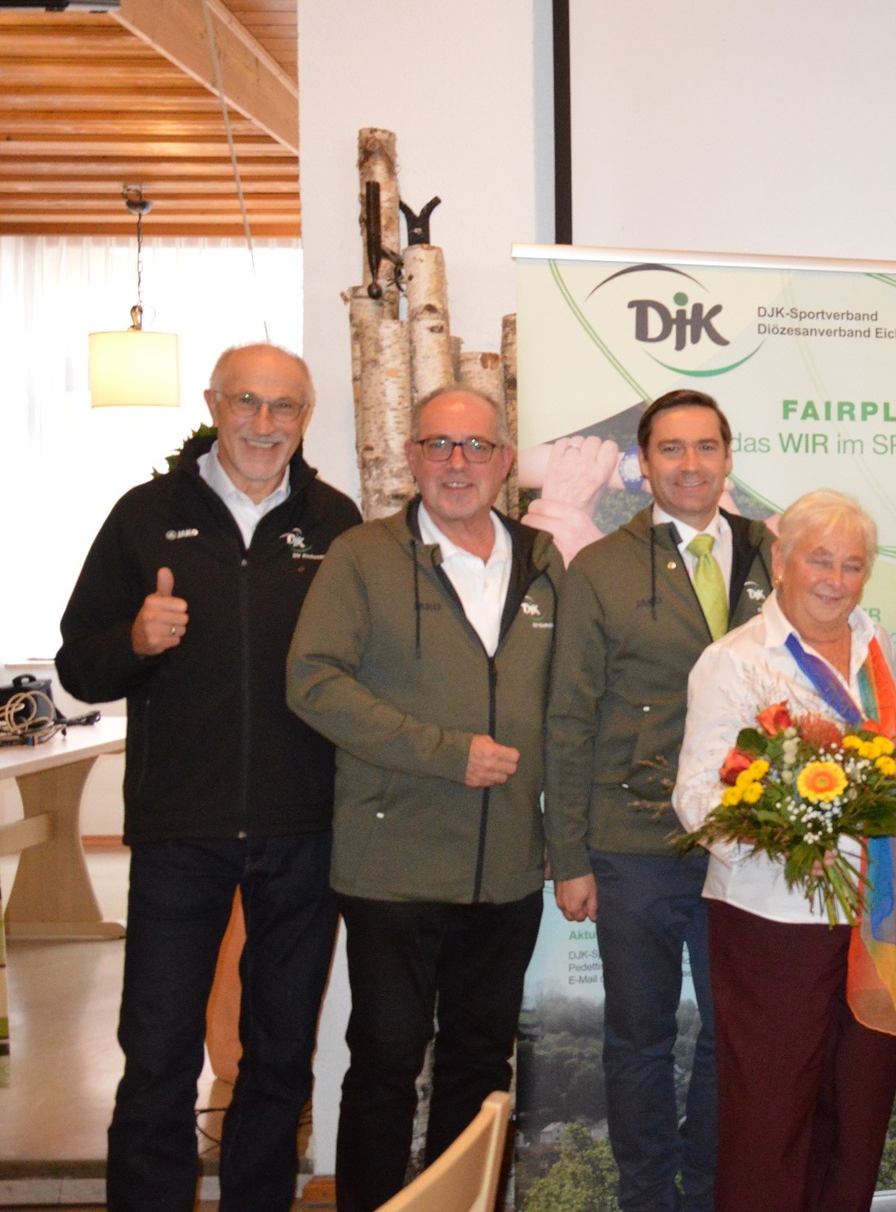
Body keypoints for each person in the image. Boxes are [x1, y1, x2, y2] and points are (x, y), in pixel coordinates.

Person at [56, 343, 358, 1212]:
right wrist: (135, 643)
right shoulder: (144, 515)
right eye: (247, 403)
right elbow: (80, 666)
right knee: (155, 1053)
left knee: (279, 1053)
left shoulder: (336, 525)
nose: (265, 425)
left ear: (307, 417)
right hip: (178, 828)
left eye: (285, 408)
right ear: (213, 404)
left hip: (305, 829)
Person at [286, 385, 564, 1212]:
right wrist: (446, 753)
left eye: (476, 447)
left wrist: (556, 824)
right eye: (437, 445)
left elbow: (565, 705)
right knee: (383, 1064)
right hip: (392, 868)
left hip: (507, 870)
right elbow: (311, 683)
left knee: (482, 1068)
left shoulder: (545, 563)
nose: (456, 464)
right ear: (409, 458)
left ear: (506, 463)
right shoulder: (362, 556)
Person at [546, 389, 774, 1212]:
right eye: (670, 450)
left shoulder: (773, 557)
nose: (690, 464)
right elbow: (567, 715)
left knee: (731, 1036)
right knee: (638, 1039)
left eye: (705, 447)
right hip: (632, 841)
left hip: (746, 843)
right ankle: (648, 1195)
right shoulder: (601, 567)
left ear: (727, 457)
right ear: (642, 467)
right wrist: (566, 856)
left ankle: (711, 1187)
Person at [673, 490, 896, 1212]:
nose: (835, 579)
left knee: (856, 1113)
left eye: (852, 565)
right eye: (819, 559)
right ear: (780, 562)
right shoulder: (734, 662)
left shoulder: (876, 647)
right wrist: (791, 827)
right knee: (770, 1119)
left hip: (874, 915)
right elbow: (695, 800)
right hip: (773, 923)